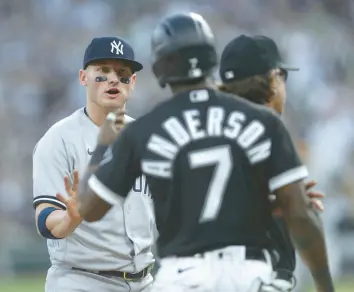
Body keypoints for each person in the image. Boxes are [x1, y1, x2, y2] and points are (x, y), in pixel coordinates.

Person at [73, 13, 334, 292]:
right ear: (211, 57)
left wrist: (103, 146)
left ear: (161, 66)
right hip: (249, 274)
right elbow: (301, 215)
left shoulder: (145, 130)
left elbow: (88, 209)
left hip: (180, 276)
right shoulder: (263, 121)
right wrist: (325, 285)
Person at [32, 36, 155, 292]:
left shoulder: (147, 137)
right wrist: (69, 218)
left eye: (122, 73)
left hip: (145, 282)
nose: (113, 79)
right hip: (82, 281)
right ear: (83, 78)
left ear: (132, 83)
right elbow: (45, 218)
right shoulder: (59, 139)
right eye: (103, 71)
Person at [218, 34, 326, 290]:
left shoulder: (210, 130)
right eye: (283, 77)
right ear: (272, 81)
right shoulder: (269, 128)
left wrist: (279, 200)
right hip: (259, 274)